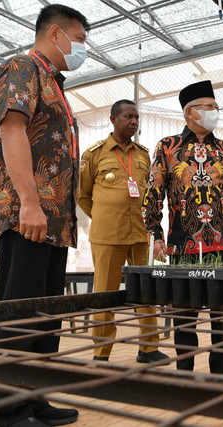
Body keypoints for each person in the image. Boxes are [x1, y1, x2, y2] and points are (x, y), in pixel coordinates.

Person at [0, 4, 88, 426]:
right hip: (25, 215)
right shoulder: (22, 67)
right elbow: (11, 131)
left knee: (45, 315)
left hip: (53, 223)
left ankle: (36, 400)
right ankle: (9, 412)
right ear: (56, 34)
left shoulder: (54, 84)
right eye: (80, 40)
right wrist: (29, 201)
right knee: (18, 314)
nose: (83, 48)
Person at [142, 80, 223, 374]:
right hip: (182, 244)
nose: (215, 112)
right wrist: (156, 235)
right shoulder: (168, 147)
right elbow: (154, 193)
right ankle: (185, 379)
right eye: (210, 107)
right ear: (191, 112)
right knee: (185, 318)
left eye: (216, 107)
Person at [78, 99, 168, 364]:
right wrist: (105, 217)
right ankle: (101, 352)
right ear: (113, 119)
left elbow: (150, 192)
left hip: (140, 234)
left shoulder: (142, 154)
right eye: (128, 117)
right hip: (107, 236)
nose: (134, 122)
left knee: (146, 291)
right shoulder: (93, 154)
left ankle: (149, 348)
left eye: (137, 118)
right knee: (104, 294)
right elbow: (82, 195)